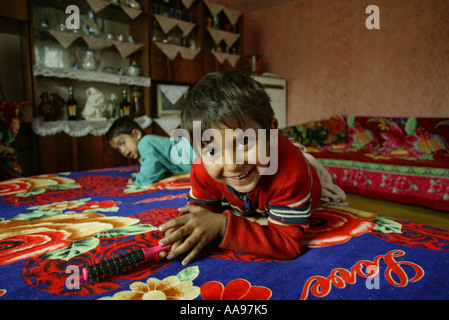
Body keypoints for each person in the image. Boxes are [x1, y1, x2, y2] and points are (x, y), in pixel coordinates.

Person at [158, 71, 345, 266]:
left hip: (304, 171)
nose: (232, 165)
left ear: (272, 131)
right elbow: (200, 214)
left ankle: (306, 159)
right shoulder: (202, 167)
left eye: (244, 141)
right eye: (212, 150)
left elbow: (287, 242)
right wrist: (185, 232)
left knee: (305, 166)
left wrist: (222, 226)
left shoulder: (292, 173)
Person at [105, 116, 195, 186]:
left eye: (122, 143)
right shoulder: (145, 148)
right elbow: (157, 169)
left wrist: (138, 182)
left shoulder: (144, 143)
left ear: (137, 134)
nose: (122, 151)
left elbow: (151, 168)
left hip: (191, 148)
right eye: (118, 149)